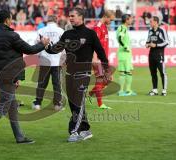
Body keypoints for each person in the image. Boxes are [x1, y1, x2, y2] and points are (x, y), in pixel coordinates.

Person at [0, 10, 49, 146]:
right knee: (3, 106)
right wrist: (43, 44)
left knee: (12, 106)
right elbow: (30, 50)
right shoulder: (12, 36)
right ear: (8, 20)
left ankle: (19, 137)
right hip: (9, 76)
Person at [47, 7, 111, 142]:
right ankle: (85, 129)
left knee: (78, 102)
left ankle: (74, 131)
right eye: (69, 16)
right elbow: (55, 49)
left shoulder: (90, 34)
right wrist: (46, 46)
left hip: (83, 74)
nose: (70, 18)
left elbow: (101, 53)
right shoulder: (67, 34)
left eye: (73, 16)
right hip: (69, 73)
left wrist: (106, 70)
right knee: (73, 104)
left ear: (81, 17)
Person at [32, 15, 65, 111]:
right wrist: (63, 59)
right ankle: (57, 104)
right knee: (57, 83)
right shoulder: (61, 31)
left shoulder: (41, 31)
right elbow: (64, 47)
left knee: (42, 83)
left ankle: (38, 103)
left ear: (47, 21)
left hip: (44, 61)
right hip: (57, 61)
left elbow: (36, 44)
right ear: (56, 20)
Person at [88, 10, 115, 109]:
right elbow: (94, 44)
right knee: (100, 80)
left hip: (104, 59)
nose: (111, 22)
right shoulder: (97, 27)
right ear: (106, 17)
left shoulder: (104, 27)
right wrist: (94, 58)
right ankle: (100, 104)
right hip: (98, 59)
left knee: (108, 80)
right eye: (110, 20)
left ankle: (90, 94)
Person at [146, 16, 169, 96]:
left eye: (151, 21)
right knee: (153, 73)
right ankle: (155, 90)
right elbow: (148, 40)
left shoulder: (162, 30)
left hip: (159, 55)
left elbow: (167, 42)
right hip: (151, 55)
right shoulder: (150, 30)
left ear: (156, 22)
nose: (150, 23)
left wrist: (156, 45)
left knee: (162, 73)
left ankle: (164, 90)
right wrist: (147, 44)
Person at [116, 14, 136, 96]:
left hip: (125, 54)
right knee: (124, 72)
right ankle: (122, 91)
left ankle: (127, 90)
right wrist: (125, 46)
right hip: (124, 53)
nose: (132, 20)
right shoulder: (122, 28)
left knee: (127, 72)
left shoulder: (124, 28)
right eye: (130, 19)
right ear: (126, 20)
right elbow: (120, 38)